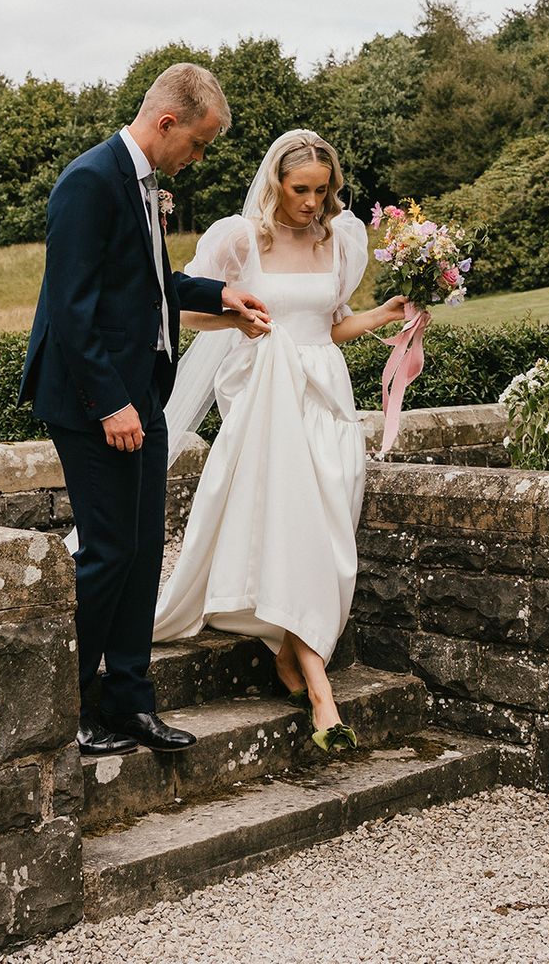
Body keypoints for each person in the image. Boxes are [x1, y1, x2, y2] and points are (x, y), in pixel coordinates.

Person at [18, 64, 269, 757]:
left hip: (142, 395)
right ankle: (69, 708)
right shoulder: (89, 181)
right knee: (106, 553)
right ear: (166, 122)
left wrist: (220, 295)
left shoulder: (143, 184)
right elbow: (70, 310)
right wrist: (110, 405)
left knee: (141, 550)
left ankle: (130, 702)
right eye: (198, 143)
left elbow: (153, 284)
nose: (199, 158)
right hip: (94, 402)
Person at [152, 130, 407, 752]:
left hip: (327, 396)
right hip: (268, 394)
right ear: (277, 183)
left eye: (322, 190)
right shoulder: (240, 239)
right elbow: (182, 309)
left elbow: (331, 324)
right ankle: (322, 695)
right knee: (298, 528)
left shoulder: (339, 239)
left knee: (332, 529)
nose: (312, 202)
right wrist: (238, 318)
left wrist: (385, 315)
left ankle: (289, 657)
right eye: (300, 190)